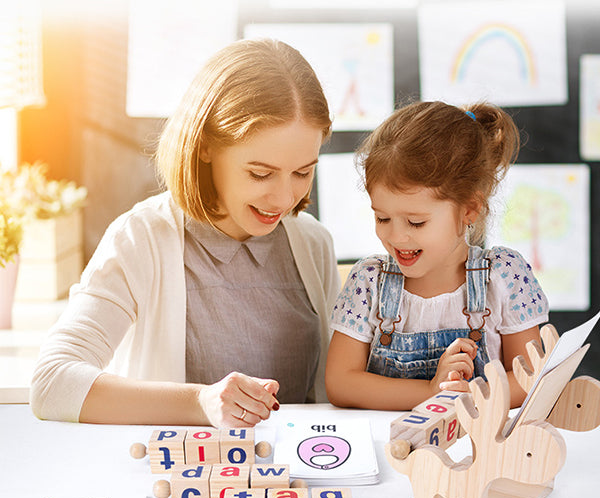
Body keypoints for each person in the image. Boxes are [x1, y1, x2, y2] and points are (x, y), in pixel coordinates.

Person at [31, 39, 340, 427]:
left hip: (285, 481)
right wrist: (199, 402)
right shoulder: (142, 238)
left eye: (302, 172)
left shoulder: (312, 245)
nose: (284, 198)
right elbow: (52, 384)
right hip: (175, 482)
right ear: (206, 146)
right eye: (260, 173)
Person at [326, 100, 548, 411]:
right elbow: (341, 383)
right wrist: (433, 392)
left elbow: (530, 378)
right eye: (382, 218)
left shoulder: (503, 276)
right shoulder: (369, 282)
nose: (395, 236)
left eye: (416, 222)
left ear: (470, 208)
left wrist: (464, 399)